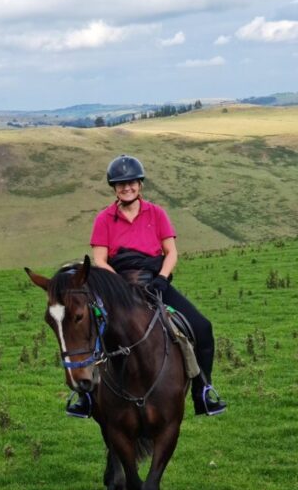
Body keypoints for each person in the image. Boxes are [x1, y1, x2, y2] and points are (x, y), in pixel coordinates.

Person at [85, 155, 227, 419]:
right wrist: (117, 286)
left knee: (202, 327)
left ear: (140, 184)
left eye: (131, 183)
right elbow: (99, 260)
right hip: (119, 286)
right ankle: (85, 396)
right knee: (90, 332)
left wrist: (162, 278)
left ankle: (203, 391)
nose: (126, 188)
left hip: (155, 283)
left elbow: (171, 252)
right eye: (120, 184)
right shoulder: (104, 219)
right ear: (113, 188)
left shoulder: (157, 213)